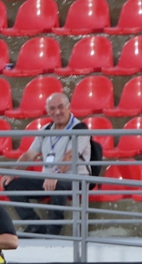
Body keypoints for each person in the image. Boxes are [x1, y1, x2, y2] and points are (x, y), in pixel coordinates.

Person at [0, 93, 90, 236]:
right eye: (52, 108)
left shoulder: (80, 129)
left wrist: (56, 174)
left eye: (60, 107)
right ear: (48, 111)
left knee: (58, 185)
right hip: (49, 177)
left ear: (69, 107)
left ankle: (53, 232)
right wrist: (12, 173)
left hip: (75, 178)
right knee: (12, 186)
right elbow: (29, 155)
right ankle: (34, 225)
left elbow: (70, 156)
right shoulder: (46, 130)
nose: (57, 112)